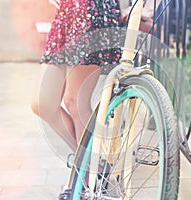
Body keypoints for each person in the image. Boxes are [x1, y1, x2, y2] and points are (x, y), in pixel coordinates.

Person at [31, 0, 161, 199]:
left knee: (75, 101)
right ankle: (92, 164)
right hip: (66, 12)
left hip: (94, 11)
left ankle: (86, 181)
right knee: (42, 103)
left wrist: (144, 8)